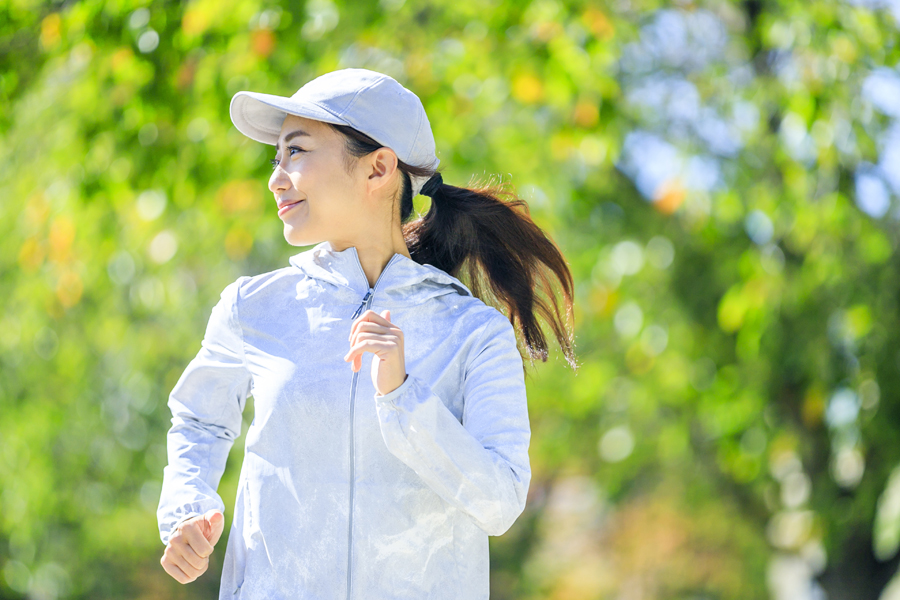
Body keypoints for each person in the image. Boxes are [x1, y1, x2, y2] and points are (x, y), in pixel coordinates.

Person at [156, 68, 575, 599]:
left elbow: (500, 502)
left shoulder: (474, 333)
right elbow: (199, 420)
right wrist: (189, 508)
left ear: (378, 168)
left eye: (298, 152)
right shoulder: (254, 307)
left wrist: (402, 398)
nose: (276, 178)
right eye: (277, 158)